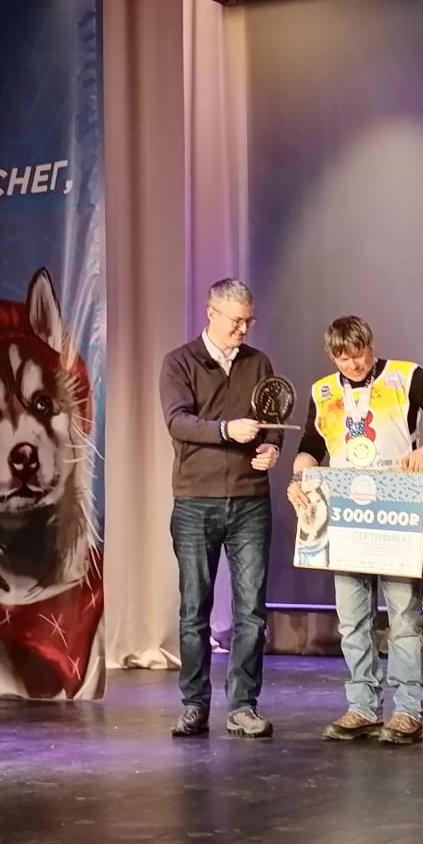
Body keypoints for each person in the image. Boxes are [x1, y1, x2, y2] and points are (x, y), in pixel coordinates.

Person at [288, 316, 423, 745]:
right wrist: (299, 478)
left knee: (403, 616)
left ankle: (408, 709)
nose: (353, 364)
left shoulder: (404, 377)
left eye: (359, 354)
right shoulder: (324, 392)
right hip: (344, 513)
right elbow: (311, 448)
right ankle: (362, 706)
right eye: (342, 358)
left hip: (395, 509)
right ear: (331, 356)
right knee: (352, 618)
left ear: (371, 346)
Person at [159, 279, 281, 738]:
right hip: (196, 500)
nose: (243, 329)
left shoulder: (258, 363)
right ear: (211, 314)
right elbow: (178, 421)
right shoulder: (180, 362)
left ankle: (243, 706)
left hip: (250, 501)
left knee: (251, 610)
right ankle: (194, 704)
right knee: (195, 609)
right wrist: (227, 430)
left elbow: (273, 419)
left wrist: (271, 446)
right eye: (236, 321)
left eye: (249, 321)